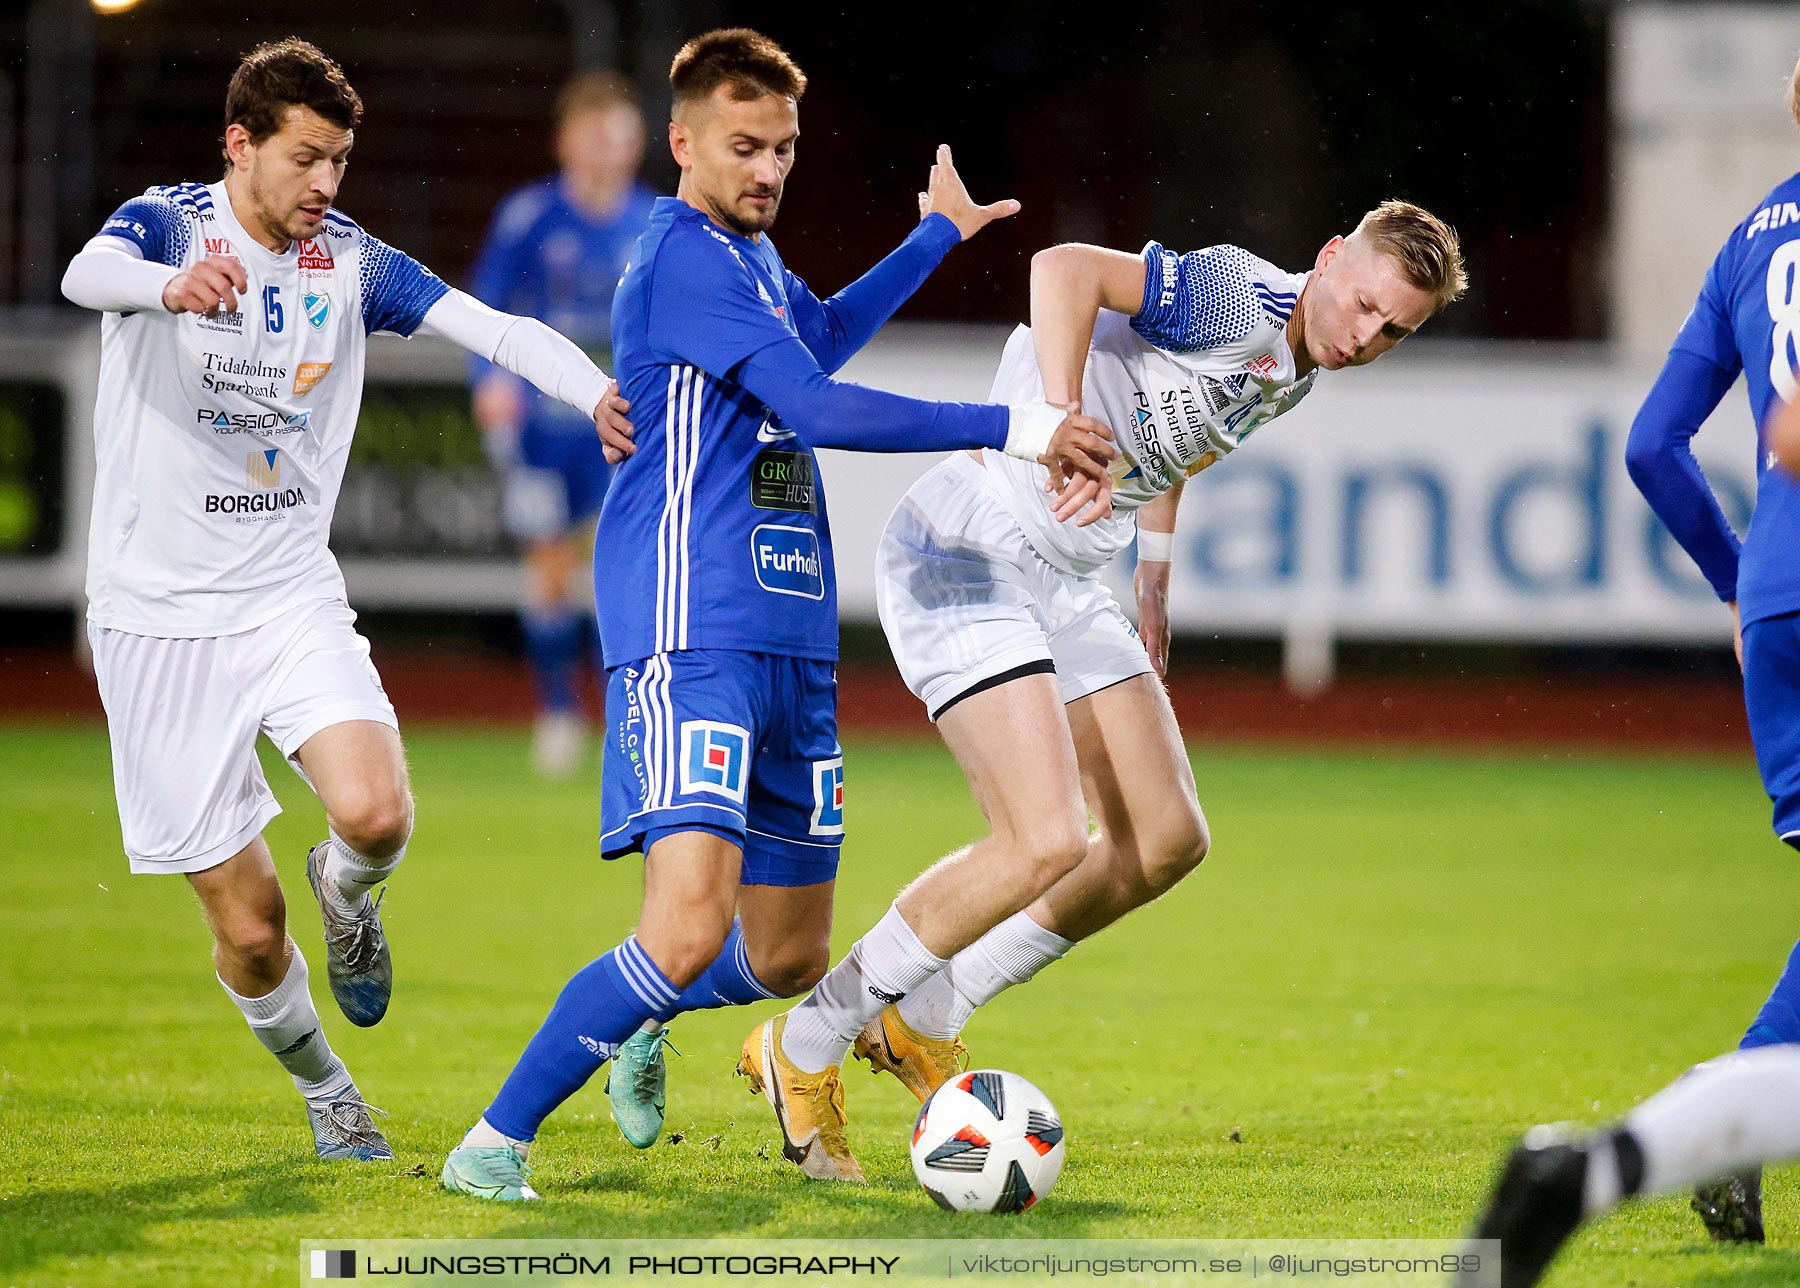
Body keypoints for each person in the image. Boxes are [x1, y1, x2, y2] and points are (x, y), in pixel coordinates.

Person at [441, 26, 1116, 1201]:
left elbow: (819, 339)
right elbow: (815, 399)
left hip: (791, 636)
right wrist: (1015, 426)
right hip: (690, 621)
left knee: (790, 951)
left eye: (786, 150)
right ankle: (494, 1139)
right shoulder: (683, 257)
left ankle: (642, 1015)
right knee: (688, 928)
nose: (768, 170)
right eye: (744, 146)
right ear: (683, 141)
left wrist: (933, 238)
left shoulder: (749, 262)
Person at [743, 202, 1467, 1182]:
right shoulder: (1239, 295)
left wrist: (1155, 567)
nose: (1366, 337)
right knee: (1042, 839)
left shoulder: (1299, 360)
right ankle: (807, 1042)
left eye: (1395, 332)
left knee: (1165, 837)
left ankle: (927, 1015)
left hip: (1069, 576)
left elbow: (1175, 433)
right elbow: (1062, 267)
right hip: (974, 544)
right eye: (1367, 305)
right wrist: (1051, 419)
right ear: (1332, 258)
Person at [60, 37, 631, 1162]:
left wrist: (596, 389)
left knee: (376, 816)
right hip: (156, 621)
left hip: (287, 596)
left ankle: (350, 890)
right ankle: (328, 1089)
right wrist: (168, 288)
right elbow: (88, 273)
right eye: (307, 158)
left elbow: (494, 327)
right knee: (253, 934)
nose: (326, 184)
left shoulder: (350, 263)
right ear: (241, 145)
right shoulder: (174, 225)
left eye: (341, 162)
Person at [1467, 55, 1800, 1281]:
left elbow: (1656, 444)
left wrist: (1738, 581)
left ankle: (1717, 1120)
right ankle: (1714, 1112)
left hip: (1777, 594)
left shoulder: (1748, 239)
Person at [469, 72, 658, 775]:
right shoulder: (529, 219)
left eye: (622, 137)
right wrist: (489, 382)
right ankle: (556, 712)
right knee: (549, 569)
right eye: (596, 135)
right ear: (567, 141)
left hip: (626, 430)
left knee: (622, 570)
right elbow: (484, 310)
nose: (610, 151)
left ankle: (629, 712)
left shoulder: (657, 221)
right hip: (545, 430)